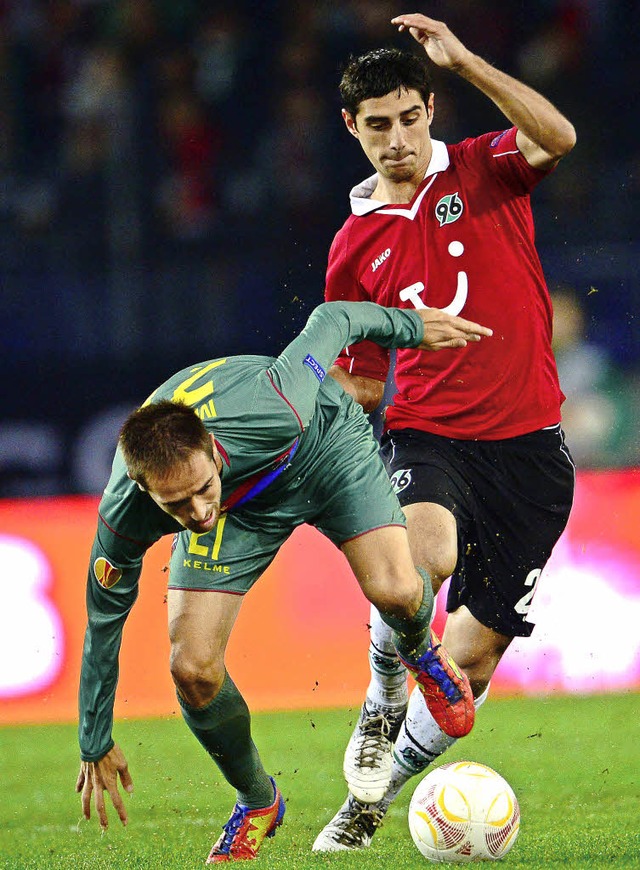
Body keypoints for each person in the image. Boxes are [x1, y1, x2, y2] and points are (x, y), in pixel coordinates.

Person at [75, 299, 492, 863]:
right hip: (242, 509)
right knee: (192, 669)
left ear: (209, 447)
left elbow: (333, 321)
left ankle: (421, 652)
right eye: (176, 504)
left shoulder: (274, 404)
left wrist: (413, 327)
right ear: (144, 491)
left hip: (322, 449)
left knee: (395, 589)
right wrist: (94, 739)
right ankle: (258, 801)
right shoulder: (124, 516)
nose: (196, 512)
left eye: (201, 486)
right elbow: (105, 619)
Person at [313, 11, 576, 852]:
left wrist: (464, 60)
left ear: (432, 107)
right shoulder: (354, 246)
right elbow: (360, 379)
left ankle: (371, 796)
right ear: (352, 127)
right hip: (430, 437)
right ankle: (382, 695)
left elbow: (559, 135)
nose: (397, 139)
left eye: (410, 116)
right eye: (378, 125)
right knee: (423, 563)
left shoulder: (485, 166)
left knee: (466, 676)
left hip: (533, 451)